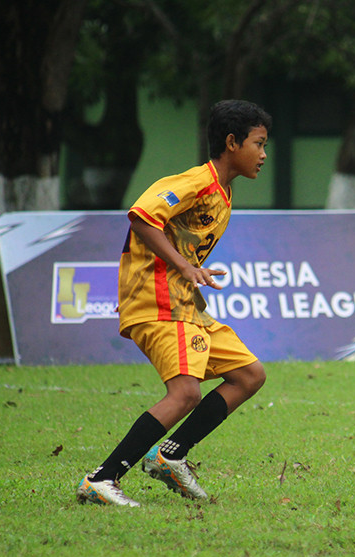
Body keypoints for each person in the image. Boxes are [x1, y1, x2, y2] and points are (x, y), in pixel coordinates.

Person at [77, 100, 271, 506]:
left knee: (249, 375)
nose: (263, 154)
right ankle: (103, 478)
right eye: (258, 143)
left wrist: (188, 271)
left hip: (184, 303)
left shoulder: (223, 193)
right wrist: (183, 266)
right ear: (232, 143)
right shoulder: (195, 181)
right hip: (158, 299)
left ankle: (171, 455)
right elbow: (141, 216)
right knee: (185, 393)